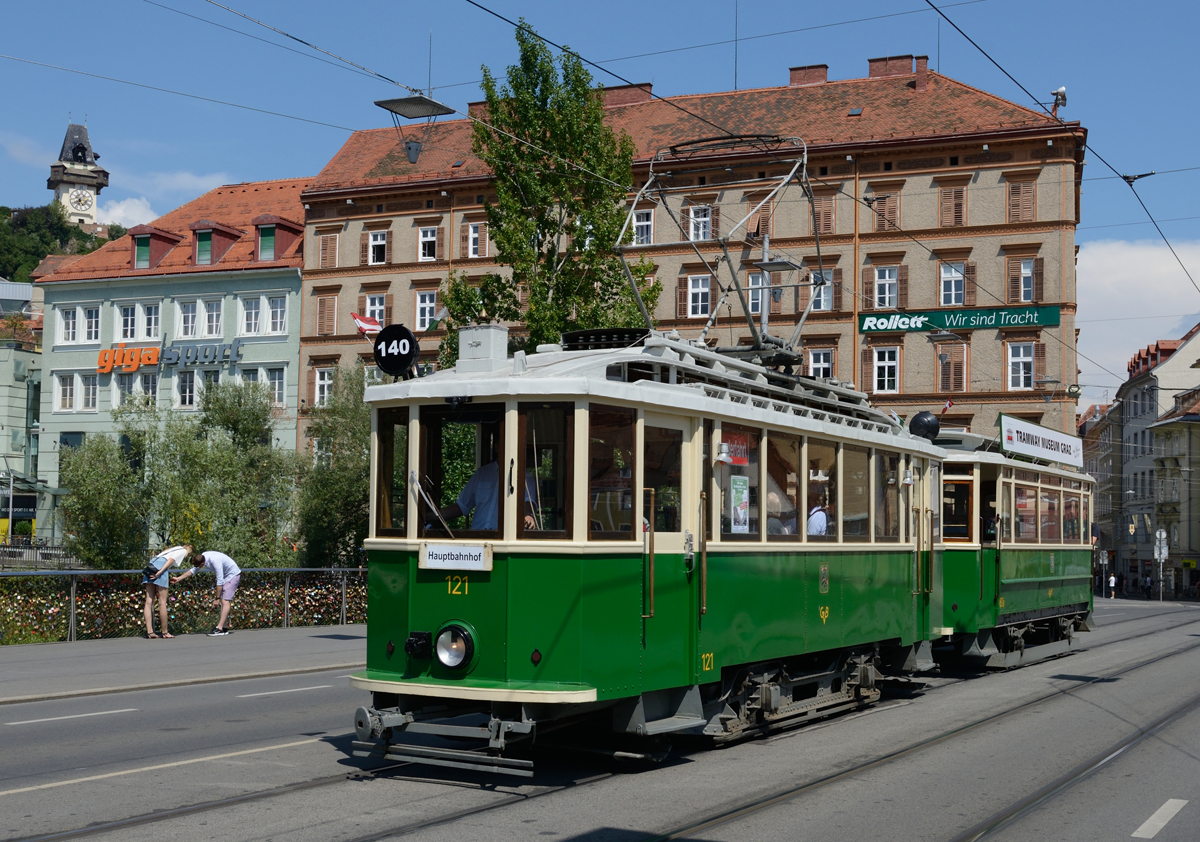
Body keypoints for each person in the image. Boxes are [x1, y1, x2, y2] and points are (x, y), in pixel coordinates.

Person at [438, 461, 537, 532]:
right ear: (496, 447)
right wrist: (431, 516)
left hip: (501, 539)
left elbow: (528, 501)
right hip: (477, 538)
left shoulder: (524, 477)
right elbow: (462, 506)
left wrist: (529, 515)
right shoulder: (482, 473)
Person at [172, 550, 241, 636]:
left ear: (201, 564)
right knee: (224, 602)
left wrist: (216, 599)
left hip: (232, 575)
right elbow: (193, 571)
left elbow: (219, 580)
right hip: (226, 576)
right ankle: (224, 628)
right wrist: (179, 578)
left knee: (225, 601)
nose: (196, 567)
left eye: (197, 565)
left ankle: (219, 628)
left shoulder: (215, 561)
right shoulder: (203, 556)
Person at [142, 545, 190, 639]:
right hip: (160, 568)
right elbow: (171, 560)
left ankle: (150, 632)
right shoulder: (183, 550)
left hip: (150, 566)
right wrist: (160, 572)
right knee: (162, 602)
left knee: (148, 601)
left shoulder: (170, 549)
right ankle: (165, 632)